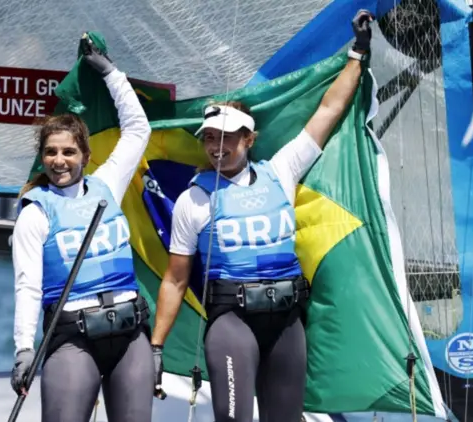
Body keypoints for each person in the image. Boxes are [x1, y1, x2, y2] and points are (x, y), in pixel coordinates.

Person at [150, 9, 374, 422]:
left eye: (228, 139)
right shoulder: (194, 200)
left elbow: (327, 112)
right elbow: (176, 278)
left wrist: (358, 53)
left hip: (287, 323)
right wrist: (156, 348)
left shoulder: (283, 170)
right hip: (231, 323)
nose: (217, 148)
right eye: (210, 139)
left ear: (249, 139)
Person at [10, 34, 156, 422]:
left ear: (86, 156)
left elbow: (138, 128)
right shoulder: (34, 213)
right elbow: (28, 286)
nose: (59, 161)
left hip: (130, 333)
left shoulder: (109, 182)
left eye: (69, 151)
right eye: (51, 152)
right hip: (73, 338)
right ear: (42, 158)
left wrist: (110, 72)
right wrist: (24, 348)